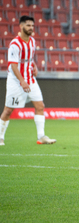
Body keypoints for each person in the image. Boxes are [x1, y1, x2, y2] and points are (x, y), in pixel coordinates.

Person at [0, 16, 56, 146]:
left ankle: (41, 136)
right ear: (21, 26)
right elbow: (13, 65)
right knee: (8, 110)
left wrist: (34, 66)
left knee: (40, 106)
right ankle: (0, 137)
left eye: (32, 25)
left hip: (30, 79)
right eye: (28, 25)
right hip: (16, 81)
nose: (31, 28)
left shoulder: (32, 41)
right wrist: (22, 81)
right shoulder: (15, 44)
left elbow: (29, 59)